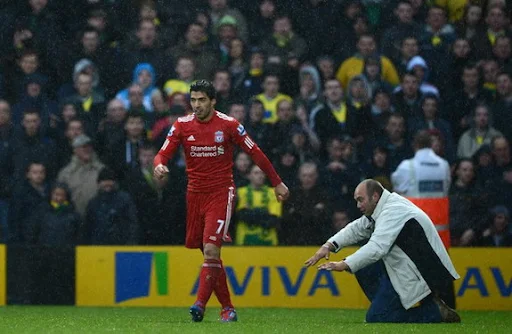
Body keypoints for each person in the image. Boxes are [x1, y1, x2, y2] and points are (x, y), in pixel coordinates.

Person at [154, 80, 289, 322]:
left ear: (213, 101)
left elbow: (255, 152)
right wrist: (160, 165)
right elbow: (163, 153)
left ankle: (199, 305)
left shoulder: (229, 125)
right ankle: (228, 308)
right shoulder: (182, 125)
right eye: (193, 100)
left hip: (221, 193)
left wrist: (276, 182)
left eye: (202, 100)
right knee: (210, 256)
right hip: (194, 196)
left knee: (210, 250)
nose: (196, 105)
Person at [304, 179, 460, 323]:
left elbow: (377, 248)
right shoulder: (384, 207)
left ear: (375, 196)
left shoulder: (393, 211)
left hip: (420, 273)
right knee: (363, 268)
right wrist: (328, 245)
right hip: (408, 268)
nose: (358, 205)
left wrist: (344, 264)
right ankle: (389, 308)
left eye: (360, 200)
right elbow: (357, 228)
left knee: (377, 317)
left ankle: (435, 313)